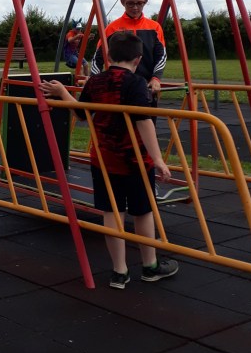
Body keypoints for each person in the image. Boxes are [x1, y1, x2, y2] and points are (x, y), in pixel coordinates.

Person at [41, 30, 178, 289]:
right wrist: (158, 159)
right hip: (135, 160)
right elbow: (144, 121)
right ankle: (149, 266)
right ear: (138, 59)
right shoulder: (136, 83)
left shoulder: (95, 81)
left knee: (112, 212)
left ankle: (119, 271)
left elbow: (82, 114)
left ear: (108, 56)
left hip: (103, 159)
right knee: (143, 212)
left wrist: (62, 93)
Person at [91, 0, 166, 98]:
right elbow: (98, 57)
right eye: (130, 3)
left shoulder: (154, 27)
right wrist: (94, 79)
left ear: (145, 2)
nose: (135, 7)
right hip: (117, 88)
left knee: (145, 110)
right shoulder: (112, 28)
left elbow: (161, 56)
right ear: (122, 2)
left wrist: (156, 78)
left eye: (139, 3)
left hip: (146, 87)